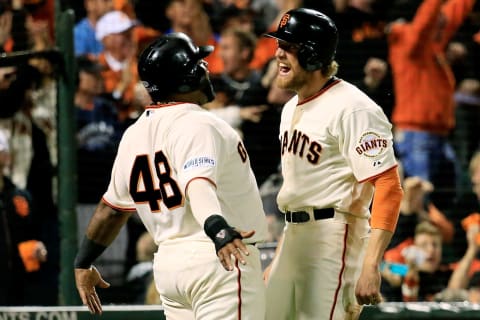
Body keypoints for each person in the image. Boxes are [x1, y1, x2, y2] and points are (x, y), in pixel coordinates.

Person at [74, 32, 268, 319]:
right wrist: (218, 229)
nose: (206, 69)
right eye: (198, 65)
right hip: (218, 257)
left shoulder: (133, 134)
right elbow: (198, 185)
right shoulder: (198, 122)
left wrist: (83, 262)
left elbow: (111, 210)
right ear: (185, 78)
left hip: (169, 266)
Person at [262, 8, 404, 319]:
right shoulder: (289, 109)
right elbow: (300, 193)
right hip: (294, 234)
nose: (278, 54)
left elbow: (389, 187)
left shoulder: (353, 108)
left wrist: (371, 264)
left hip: (334, 237)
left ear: (312, 55)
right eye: (279, 45)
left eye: (288, 48)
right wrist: (280, 260)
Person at [0, 129, 48, 305]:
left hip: (19, 286)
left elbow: (33, 235)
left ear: (6, 156)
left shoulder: (19, 197)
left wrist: (38, 246)